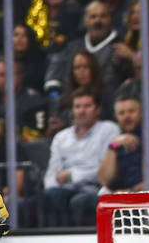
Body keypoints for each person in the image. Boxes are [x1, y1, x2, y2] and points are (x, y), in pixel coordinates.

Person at [42, 89, 120, 226]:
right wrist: (52, 186)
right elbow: (51, 174)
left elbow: (103, 171)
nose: (81, 111)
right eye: (77, 107)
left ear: (97, 109)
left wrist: (73, 175)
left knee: (79, 201)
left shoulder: (108, 130)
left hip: (95, 187)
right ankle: (59, 242)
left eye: (87, 106)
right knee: (50, 195)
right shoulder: (61, 137)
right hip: (65, 188)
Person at [44, 0, 134, 97]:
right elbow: (53, 78)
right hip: (72, 105)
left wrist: (132, 57)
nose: (97, 21)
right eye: (93, 17)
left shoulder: (121, 48)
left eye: (102, 16)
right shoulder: (71, 46)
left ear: (110, 18)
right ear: (85, 20)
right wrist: (57, 99)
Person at [97, 91, 149, 193]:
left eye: (131, 111)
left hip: (148, 192)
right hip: (119, 193)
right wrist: (114, 146)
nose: (126, 116)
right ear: (115, 116)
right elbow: (104, 180)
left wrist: (133, 190)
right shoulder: (114, 135)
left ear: (142, 112)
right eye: (121, 113)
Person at [0, 59, 48, 141]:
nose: (7, 79)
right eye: (2, 75)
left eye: (11, 74)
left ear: (21, 76)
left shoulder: (34, 100)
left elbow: (39, 135)